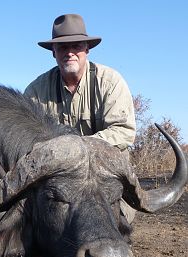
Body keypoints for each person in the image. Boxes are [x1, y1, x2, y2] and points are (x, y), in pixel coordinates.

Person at [24, 13, 136, 223]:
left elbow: (124, 131)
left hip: (104, 177)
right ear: (53, 53)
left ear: (87, 49)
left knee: (117, 222)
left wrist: (76, 149)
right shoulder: (35, 91)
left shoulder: (110, 82)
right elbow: (23, 139)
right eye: (63, 48)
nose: (70, 53)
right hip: (60, 183)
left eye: (76, 46)